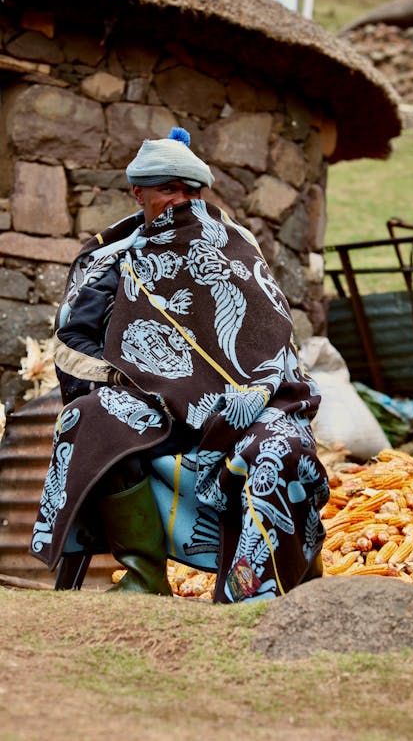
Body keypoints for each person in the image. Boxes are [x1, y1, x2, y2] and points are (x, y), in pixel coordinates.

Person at [30, 127, 329, 603]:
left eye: (191, 191)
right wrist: (137, 381)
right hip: (159, 406)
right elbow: (72, 342)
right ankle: (144, 576)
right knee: (91, 417)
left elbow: (271, 329)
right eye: (168, 189)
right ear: (139, 192)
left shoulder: (234, 244)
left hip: (246, 400)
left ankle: (254, 596)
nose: (180, 201)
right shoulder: (110, 258)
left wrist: (251, 387)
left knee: (281, 449)